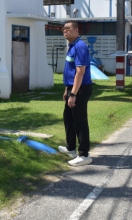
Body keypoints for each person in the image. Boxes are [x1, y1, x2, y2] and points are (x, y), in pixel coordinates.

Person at [57, 20, 93, 167]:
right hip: (72, 88)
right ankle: (71, 148)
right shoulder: (71, 46)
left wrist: (73, 94)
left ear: (77, 30)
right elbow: (70, 72)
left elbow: (80, 72)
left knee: (79, 121)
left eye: (68, 28)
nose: (65, 31)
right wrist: (67, 89)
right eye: (63, 29)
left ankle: (84, 154)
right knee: (68, 118)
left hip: (80, 89)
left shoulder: (80, 46)